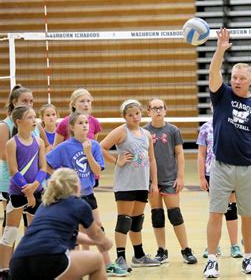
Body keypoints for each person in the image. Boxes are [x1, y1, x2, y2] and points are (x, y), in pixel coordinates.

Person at [202, 28, 251, 278]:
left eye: (241, 78)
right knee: (215, 214)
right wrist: (220, 50)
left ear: (250, 80)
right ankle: (212, 259)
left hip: (247, 168)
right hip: (221, 166)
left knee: (248, 215)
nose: (236, 81)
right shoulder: (221, 95)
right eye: (234, 77)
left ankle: (248, 257)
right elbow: (213, 73)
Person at [46, 112, 128, 276]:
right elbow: (46, 163)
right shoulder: (64, 147)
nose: (85, 125)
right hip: (70, 196)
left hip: (88, 193)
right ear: (71, 127)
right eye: (80, 123)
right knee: (75, 231)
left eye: (86, 123)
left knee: (97, 227)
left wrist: (88, 152)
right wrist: (60, 177)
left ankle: (108, 264)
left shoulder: (94, 146)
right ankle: (76, 264)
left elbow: (97, 171)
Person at [9, 168, 113, 280]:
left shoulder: (45, 206)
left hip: (18, 262)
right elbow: (96, 233)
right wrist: (106, 242)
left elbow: (70, 235)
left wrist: (94, 242)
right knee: (97, 260)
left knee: (75, 268)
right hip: (50, 257)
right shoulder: (79, 204)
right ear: (75, 187)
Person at [100, 99, 160, 272]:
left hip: (141, 183)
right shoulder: (121, 131)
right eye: (130, 114)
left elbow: (151, 159)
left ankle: (139, 256)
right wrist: (116, 161)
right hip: (125, 184)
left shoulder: (146, 134)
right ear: (124, 116)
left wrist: (154, 183)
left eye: (137, 113)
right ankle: (120, 258)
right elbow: (101, 147)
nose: (135, 117)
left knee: (136, 221)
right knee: (124, 220)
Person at [143, 98, 198, 264]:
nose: (158, 110)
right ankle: (161, 250)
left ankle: (186, 249)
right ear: (149, 111)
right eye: (154, 108)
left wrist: (180, 177)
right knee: (157, 215)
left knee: (175, 214)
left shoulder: (173, 130)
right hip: (151, 180)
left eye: (161, 108)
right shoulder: (144, 131)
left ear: (165, 110)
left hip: (169, 179)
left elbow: (180, 154)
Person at [0, 106, 47, 277]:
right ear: (18, 121)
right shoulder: (12, 143)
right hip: (18, 193)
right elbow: (13, 170)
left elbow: (43, 167)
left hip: (37, 191)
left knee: (34, 232)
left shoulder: (39, 142)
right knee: (10, 231)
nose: (34, 120)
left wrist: (35, 185)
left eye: (35, 117)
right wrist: (27, 192)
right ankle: (4, 269)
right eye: (30, 117)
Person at [0, 85, 50, 232]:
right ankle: (7, 255)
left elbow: (47, 146)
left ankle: (28, 253)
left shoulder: (35, 124)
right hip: (11, 181)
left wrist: (41, 162)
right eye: (24, 101)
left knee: (33, 223)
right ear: (15, 103)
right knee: (10, 226)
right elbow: (3, 154)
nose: (28, 105)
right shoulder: (5, 125)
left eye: (31, 101)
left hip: (35, 181)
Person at [196, 112, 243, 259]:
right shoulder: (205, 128)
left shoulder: (235, 124)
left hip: (231, 171)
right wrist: (202, 176)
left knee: (231, 208)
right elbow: (201, 155)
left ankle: (235, 245)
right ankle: (214, 245)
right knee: (216, 210)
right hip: (212, 173)